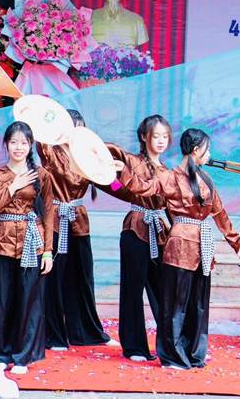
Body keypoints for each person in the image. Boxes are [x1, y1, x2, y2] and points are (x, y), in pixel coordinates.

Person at [118, 128, 240, 369]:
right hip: (179, 245)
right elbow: (142, 187)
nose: (209, 154)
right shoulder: (170, 177)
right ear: (195, 150)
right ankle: (173, 355)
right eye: (207, 149)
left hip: (202, 245)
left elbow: (219, 211)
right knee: (175, 303)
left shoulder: (206, 178)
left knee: (198, 303)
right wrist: (121, 170)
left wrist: (234, 241)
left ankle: (194, 353)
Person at [36, 109, 112, 351]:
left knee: (83, 277)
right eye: (71, 129)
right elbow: (40, 141)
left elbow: (110, 182)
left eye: (80, 129)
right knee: (54, 278)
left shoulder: (88, 156)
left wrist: (118, 178)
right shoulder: (51, 152)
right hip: (56, 219)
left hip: (79, 221)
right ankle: (54, 334)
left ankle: (86, 332)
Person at [0, 122, 54, 374]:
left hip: (32, 242)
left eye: (24, 142)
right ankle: (0, 353)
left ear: (31, 145)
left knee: (29, 300)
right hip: (4, 243)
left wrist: (48, 251)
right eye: (14, 142)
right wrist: (12, 186)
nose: (19, 147)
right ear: (6, 144)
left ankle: (23, 356)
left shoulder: (41, 175)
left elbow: (48, 213)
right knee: (2, 300)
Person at [102, 114, 172, 361]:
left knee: (164, 289)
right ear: (144, 137)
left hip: (160, 231)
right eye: (156, 136)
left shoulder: (167, 171)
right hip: (136, 229)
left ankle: (169, 345)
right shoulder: (131, 161)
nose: (161, 141)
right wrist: (117, 176)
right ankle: (134, 347)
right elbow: (115, 185)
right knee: (132, 290)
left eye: (165, 136)